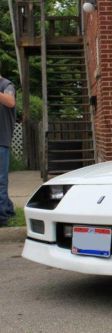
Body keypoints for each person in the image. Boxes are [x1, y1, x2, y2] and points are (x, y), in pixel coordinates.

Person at [0, 62, 16, 227]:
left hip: (1, 140)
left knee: (0, 180)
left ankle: (3, 217)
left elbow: (10, 102)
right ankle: (8, 209)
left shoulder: (7, 85)